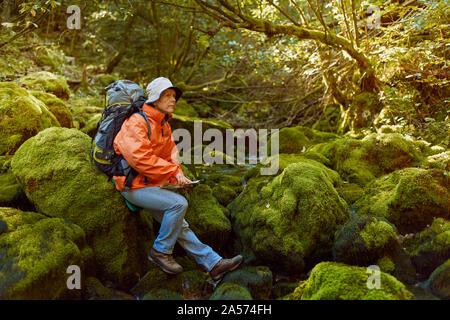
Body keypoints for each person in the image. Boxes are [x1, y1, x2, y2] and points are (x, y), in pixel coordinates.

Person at [112, 77, 243, 280]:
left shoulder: (164, 124)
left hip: (149, 183)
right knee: (178, 205)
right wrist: (171, 173)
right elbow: (140, 159)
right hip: (132, 185)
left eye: (174, 95)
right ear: (155, 99)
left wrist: (179, 176)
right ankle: (160, 252)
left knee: (178, 223)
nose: (172, 99)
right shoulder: (137, 121)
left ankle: (213, 263)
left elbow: (170, 156)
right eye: (167, 95)